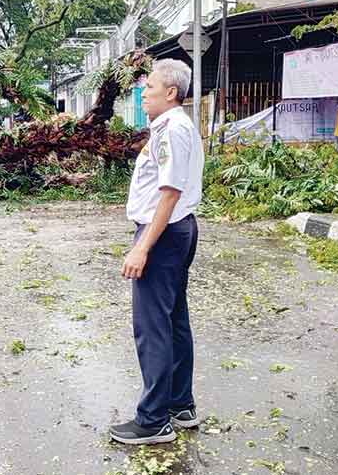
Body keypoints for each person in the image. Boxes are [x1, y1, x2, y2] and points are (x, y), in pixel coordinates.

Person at [111, 59, 204, 446]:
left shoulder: (171, 130)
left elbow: (170, 193)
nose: (143, 93)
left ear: (170, 93)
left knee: (152, 328)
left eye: (148, 87)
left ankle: (153, 420)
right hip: (177, 229)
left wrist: (142, 247)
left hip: (162, 233)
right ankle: (180, 404)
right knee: (174, 321)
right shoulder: (174, 127)